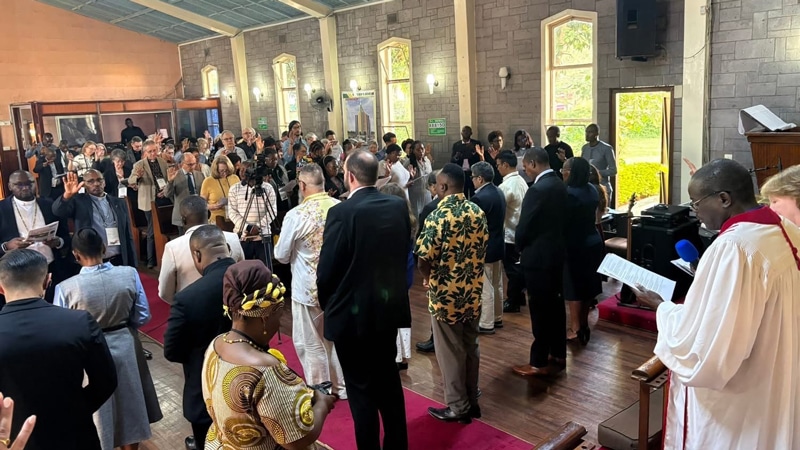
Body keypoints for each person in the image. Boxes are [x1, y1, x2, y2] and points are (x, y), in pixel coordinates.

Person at [632, 158, 800, 449]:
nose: (694, 211)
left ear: (724, 199)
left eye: (696, 203)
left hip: (744, 399)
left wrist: (661, 307)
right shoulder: (784, 229)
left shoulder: (734, 246)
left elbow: (708, 349)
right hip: (779, 370)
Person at [317, 150, 410, 450]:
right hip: (387, 309)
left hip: (351, 316)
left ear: (350, 176)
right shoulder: (397, 206)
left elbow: (327, 271)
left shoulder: (341, 213)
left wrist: (328, 304)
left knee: (361, 392)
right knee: (388, 382)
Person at [203, 260, 336, 449]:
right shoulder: (265, 370)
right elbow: (296, 440)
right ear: (265, 317)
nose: (278, 323)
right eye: (278, 315)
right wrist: (322, 403)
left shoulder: (216, 345)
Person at [0, 249, 117, 450]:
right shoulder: (79, 321)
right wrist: (77, 410)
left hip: (13, 439)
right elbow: (107, 381)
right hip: (76, 435)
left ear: (1, 288)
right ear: (48, 281)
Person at [54, 228, 159, 450]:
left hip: (88, 349)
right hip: (126, 341)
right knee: (131, 401)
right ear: (104, 248)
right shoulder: (129, 274)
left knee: (99, 408)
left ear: (75, 255)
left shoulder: (65, 288)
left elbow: (62, 330)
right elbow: (143, 315)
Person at [416, 163, 488, 423]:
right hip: (472, 291)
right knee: (471, 346)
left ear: (444, 186)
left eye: (437, 185)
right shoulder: (477, 211)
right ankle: (472, 399)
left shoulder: (437, 216)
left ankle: (458, 406)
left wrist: (428, 279)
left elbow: (423, 259)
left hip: (446, 295)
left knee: (449, 351)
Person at [273, 164, 346, 397]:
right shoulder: (341, 208)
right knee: (337, 337)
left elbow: (281, 255)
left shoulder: (297, 215)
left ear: (302, 185)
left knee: (310, 340)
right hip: (339, 285)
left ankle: (320, 387)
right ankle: (342, 386)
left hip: (308, 287)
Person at [163, 225, 236, 449]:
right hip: (251, 387)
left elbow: (171, 351)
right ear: (228, 248)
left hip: (206, 390)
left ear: (197, 254)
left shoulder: (188, 298)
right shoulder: (256, 280)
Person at [512, 148, 568, 377]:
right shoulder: (560, 184)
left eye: (525, 166)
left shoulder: (537, 190)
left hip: (537, 258)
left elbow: (524, 226)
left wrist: (519, 247)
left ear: (533, 163)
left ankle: (538, 362)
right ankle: (558, 353)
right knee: (556, 306)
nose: (525, 170)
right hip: (556, 255)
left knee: (540, 310)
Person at [0, 171, 73, 303]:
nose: (25, 187)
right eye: (19, 184)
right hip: (18, 274)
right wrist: (7, 246)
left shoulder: (49, 204)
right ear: (10, 186)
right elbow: (4, 245)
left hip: (51, 268)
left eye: (29, 183)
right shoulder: (2, 209)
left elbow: (65, 236)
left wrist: (58, 242)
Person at [158, 196, 245, 304]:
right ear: (208, 214)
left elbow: (164, 292)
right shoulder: (233, 238)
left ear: (183, 220)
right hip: (230, 305)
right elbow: (242, 274)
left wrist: (181, 305)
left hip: (191, 305)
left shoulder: (172, 247)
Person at [53, 170, 137, 268]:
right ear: (84, 185)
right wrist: (67, 195)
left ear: (104, 182)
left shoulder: (119, 202)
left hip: (119, 259)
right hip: (92, 262)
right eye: (91, 181)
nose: (96, 184)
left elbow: (128, 235)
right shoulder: (79, 202)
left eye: (99, 180)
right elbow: (58, 211)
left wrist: (133, 264)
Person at [560, 157, 604, 344]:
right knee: (587, 287)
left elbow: (563, 222)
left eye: (563, 170)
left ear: (570, 172)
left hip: (574, 244)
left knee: (573, 288)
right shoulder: (592, 189)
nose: (562, 174)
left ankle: (575, 328)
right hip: (593, 241)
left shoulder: (568, 194)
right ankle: (584, 324)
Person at [379, 182, 417, 370]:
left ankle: (394, 354)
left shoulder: (384, 222)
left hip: (388, 271)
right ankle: (403, 356)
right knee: (402, 311)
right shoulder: (410, 219)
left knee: (388, 314)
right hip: (405, 268)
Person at [470, 162, 506, 334]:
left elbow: (473, 226)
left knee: (485, 286)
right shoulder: (498, 191)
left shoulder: (479, 198)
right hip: (498, 244)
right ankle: (497, 317)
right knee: (497, 284)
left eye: (472, 177)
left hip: (484, 247)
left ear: (479, 178)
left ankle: (486, 322)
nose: (471, 180)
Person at [494, 151, 529, 313]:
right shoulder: (521, 180)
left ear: (505, 165)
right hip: (520, 230)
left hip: (510, 232)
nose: (497, 168)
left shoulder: (506, 186)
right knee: (516, 266)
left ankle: (513, 301)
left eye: (498, 165)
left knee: (512, 269)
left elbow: (499, 209)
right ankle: (519, 297)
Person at [128, 139, 170, 268]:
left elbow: (168, 179)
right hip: (149, 201)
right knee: (152, 230)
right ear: (145, 152)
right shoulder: (139, 164)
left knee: (165, 228)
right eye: (150, 151)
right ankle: (151, 259)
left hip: (163, 197)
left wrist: (165, 190)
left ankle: (164, 257)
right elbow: (131, 180)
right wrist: (138, 177)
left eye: (154, 150)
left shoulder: (162, 162)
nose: (153, 153)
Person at [228, 161, 278, 266]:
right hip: (243, 236)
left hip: (263, 236)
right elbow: (232, 213)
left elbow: (272, 211)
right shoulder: (234, 189)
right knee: (245, 270)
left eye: (246, 170)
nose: (243, 172)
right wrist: (248, 227)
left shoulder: (268, 188)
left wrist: (258, 226)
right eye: (241, 169)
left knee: (266, 269)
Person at [164, 153, 205, 231]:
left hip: (198, 214)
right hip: (183, 215)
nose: (192, 166)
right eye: (189, 164)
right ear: (182, 164)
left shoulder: (200, 175)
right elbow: (167, 194)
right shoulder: (175, 175)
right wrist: (170, 182)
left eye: (194, 164)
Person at [581, 123, 616, 204]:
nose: (587, 134)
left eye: (590, 132)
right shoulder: (585, 148)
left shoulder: (606, 148)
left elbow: (613, 170)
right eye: (586, 132)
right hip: (588, 188)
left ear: (597, 134)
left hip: (602, 188)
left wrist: (597, 172)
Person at [199, 155, 239, 226]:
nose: (225, 173)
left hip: (235, 219)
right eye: (221, 171)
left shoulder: (235, 178)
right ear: (216, 170)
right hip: (217, 221)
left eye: (226, 170)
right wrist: (216, 205)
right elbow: (202, 205)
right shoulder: (208, 181)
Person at [451, 126, 482, 197]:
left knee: (474, 193)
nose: (465, 133)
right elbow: (452, 160)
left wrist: (473, 153)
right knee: (462, 194)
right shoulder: (456, 145)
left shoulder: (476, 144)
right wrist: (456, 157)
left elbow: (480, 158)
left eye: (467, 131)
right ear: (461, 133)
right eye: (464, 131)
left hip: (473, 173)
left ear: (471, 133)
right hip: (461, 173)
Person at [406, 141, 433, 217]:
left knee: (427, 214)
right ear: (413, 151)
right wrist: (410, 177)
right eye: (418, 150)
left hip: (427, 193)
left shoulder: (427, 161)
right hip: (415, 195)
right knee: (416, 215)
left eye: (422, 149)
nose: (421, 151)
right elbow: (404, 180)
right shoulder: (408, 163)